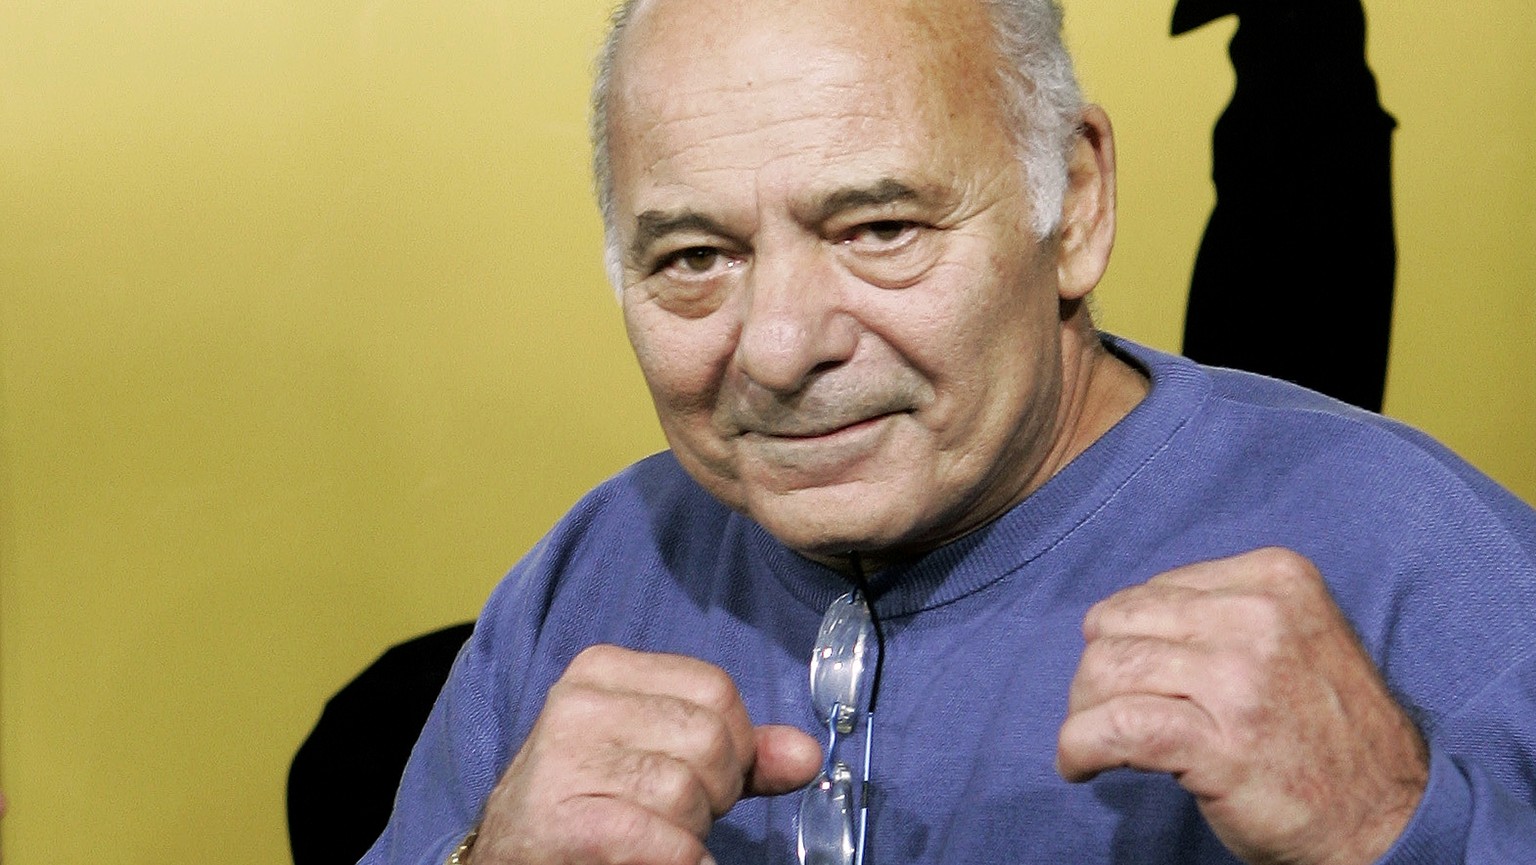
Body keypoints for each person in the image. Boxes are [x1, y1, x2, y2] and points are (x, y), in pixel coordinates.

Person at [362, 0, 1536, 862]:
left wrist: (1397, 826)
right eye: (695, 258)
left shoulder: (1419, 555)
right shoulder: (583, 580)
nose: (778, 346)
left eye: (878, 227)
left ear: (1072, 205)